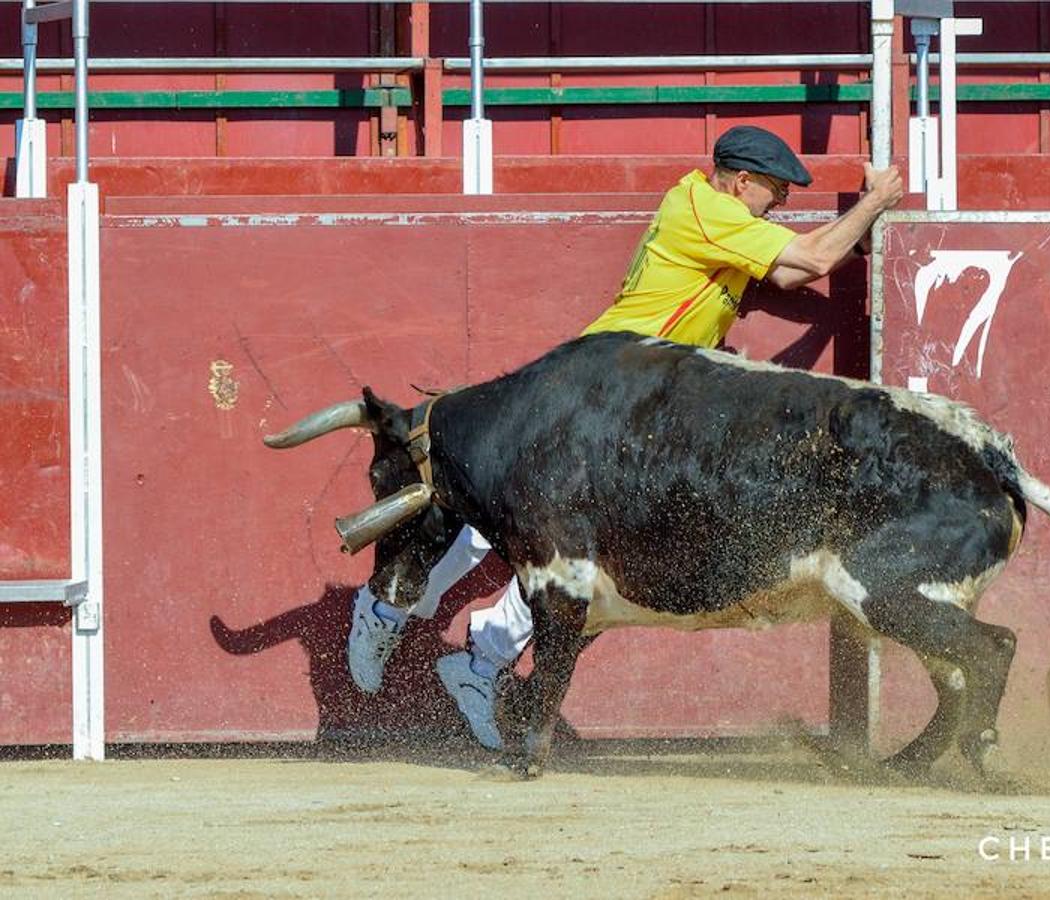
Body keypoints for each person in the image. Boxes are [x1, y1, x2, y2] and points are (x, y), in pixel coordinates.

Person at [348, 125, 907, 749]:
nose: (778, 204)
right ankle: (392, 611)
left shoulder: (711, 211)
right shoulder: (708, 209)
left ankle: (471, 657)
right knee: (513, 523)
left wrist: (854, 232)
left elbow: (788, 275)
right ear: (741, 181)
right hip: (604, 393)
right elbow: (813, 260)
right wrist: (875, 202)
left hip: (639, 399)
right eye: (773, 192)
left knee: (554, 540)